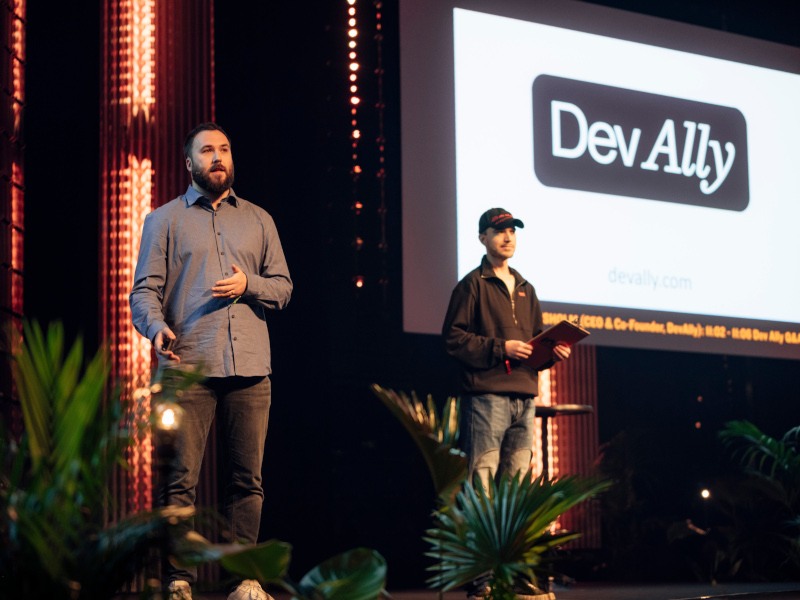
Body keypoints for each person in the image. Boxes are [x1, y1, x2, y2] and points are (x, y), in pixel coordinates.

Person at [130, 122, 292, 600]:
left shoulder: (259, 219)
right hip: (189, 363)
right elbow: (144, 291)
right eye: (207, 150)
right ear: (189, 163)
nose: (217, 157)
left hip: (251, 365)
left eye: (223, 149)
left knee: (248, 480)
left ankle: (243, 578)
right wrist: (155, 326)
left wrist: (250, 286)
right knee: (180, 478)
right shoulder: (163, 220)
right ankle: (178, 577)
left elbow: (283, 287)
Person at [442, 207, 571, 492]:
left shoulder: (528, 288)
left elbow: (536, 344)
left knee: (517, 484)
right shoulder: (472, 285)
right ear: (482, 238)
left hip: (524, 396)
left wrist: (553, 353)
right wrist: (503, 348)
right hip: (486, 397)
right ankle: (482, 537)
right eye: (500, 231)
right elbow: (453, 338)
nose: (508, 237)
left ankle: (509, 539)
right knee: (482, 482)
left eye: (512, 231)